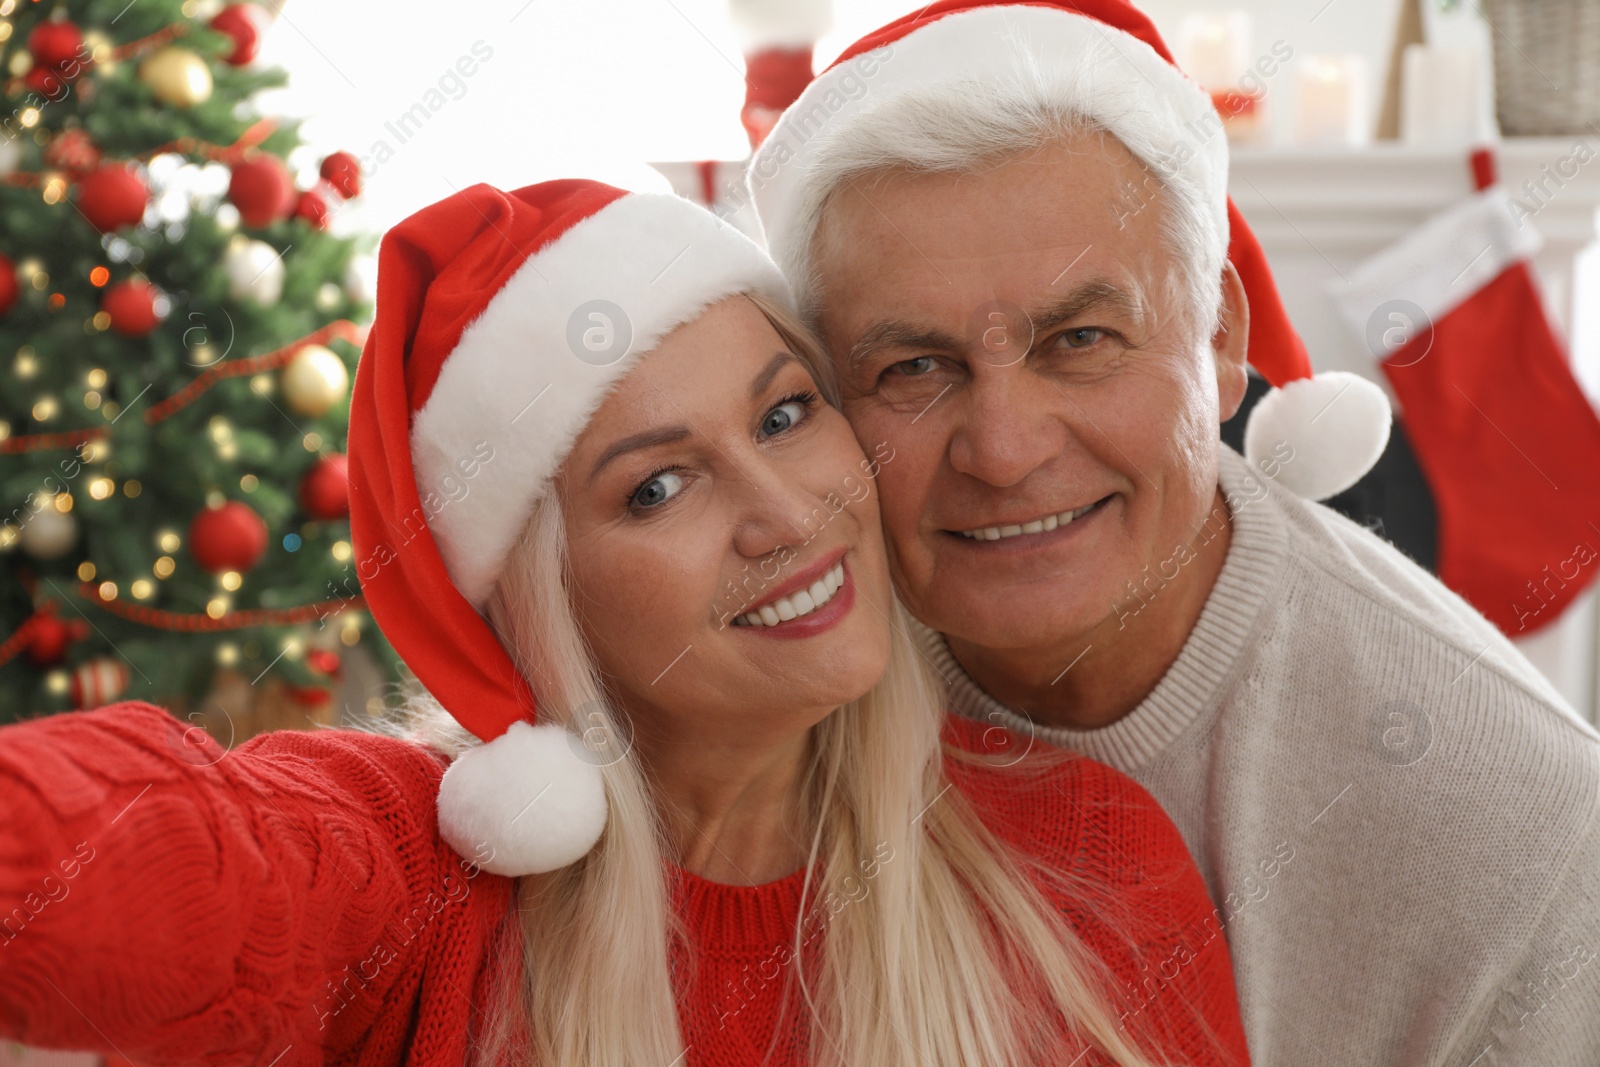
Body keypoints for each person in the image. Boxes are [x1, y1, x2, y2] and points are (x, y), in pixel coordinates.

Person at [0, 179, 1250, 1067]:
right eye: (657, 485)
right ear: (541, 598)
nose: (785, 513)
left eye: (782, 415)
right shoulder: (420, 882)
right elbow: (152, 860)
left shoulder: (1082, 861)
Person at [744, 1, 1600, 1064]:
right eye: (912, 367)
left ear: (1220, 337)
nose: (1002, 450)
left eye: (1082, 339)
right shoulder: (750, 681)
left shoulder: (1514, 820)